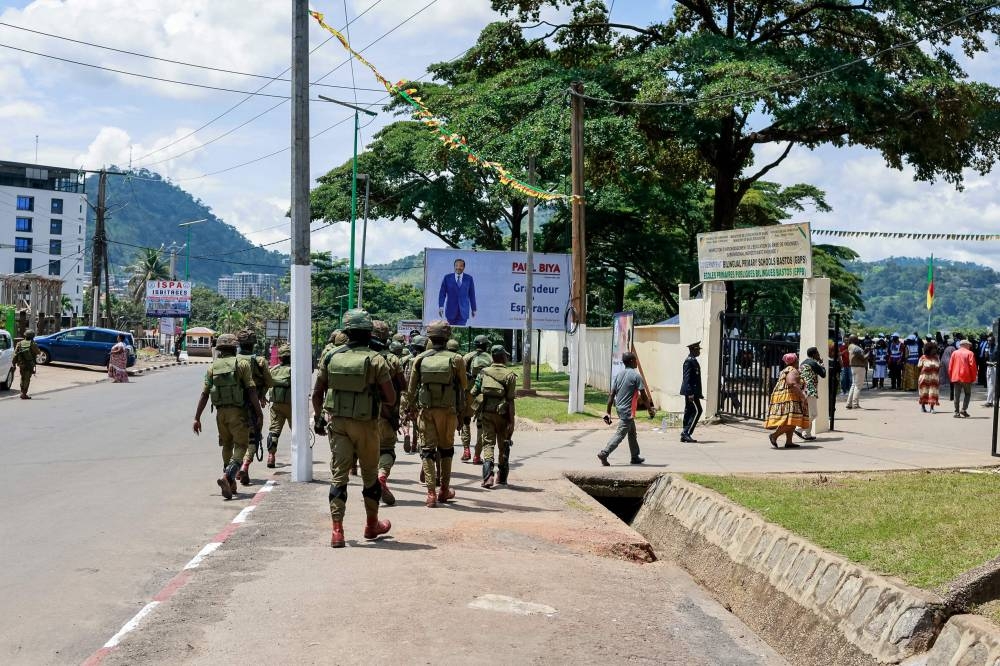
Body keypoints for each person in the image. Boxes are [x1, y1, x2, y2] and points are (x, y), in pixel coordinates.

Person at [311, 309, 396, 548]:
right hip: (367, 425)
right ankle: (371, 525)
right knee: (370, 476)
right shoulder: (376, 359)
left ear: (346, 331)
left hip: (338, 424)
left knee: (339, 476)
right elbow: (390, 397)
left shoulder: (331, 357)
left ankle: (337, 531)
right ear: (369, 332)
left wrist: (318, 417)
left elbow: (318, 393)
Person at [405, 320, 467, 507]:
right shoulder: (456, 359)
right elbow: (464, 387)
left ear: (429, 337)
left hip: (426, 411)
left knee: (427, 451)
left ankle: (430, 493)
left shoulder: (420, 359)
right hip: (448, 411)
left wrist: (410, 408)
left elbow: (411, 389)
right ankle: (444, 490)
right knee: (446, 450)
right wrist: (462, 413)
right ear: (447, 337)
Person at [192, 333, 262, 500]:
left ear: (220, 349)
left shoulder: (213, 367)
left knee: (226, 444)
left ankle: (230, 484)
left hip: (220, 414)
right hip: (238, 413)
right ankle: (228, 476)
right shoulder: (242, 364)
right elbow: (251, 390)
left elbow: (204, 394)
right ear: (234, 347)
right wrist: (259, 413)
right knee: (242, 446)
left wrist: (197, 418)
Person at [470, 345, 517, 487]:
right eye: (506, 356)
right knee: (504, 444)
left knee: (488, 443)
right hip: (502, 415)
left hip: (486, 413)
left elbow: (474, 391)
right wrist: (511, 422)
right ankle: (501, 477)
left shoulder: (483, 372)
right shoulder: (510, 375)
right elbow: (510, 400)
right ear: (503, 357)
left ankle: (487, 477)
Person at [598, 351, 655, 466]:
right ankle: (605, 452)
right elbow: (643, 396)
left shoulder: (619, 375)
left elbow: (611, 394)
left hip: (620, 409)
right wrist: (650, 409)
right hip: (627, 411)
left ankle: (635, 456)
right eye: (635, 360)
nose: (637, 362)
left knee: (632, 432)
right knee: (620, 434)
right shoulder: (636, 376)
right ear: (631, 361)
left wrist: (608, 412)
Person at [371, 320, 406, 506]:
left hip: (360, 415)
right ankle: (382, 477)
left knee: (367, 453)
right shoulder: (392, 359)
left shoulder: (360, 356)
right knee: (387, 451)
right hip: (386, 415)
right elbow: (403, 386)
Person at [237, 329, 273, 486]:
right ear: (253, 345)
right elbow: (270, 382)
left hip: (234, 406)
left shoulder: (234, 360)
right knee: (253, 438)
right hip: (253, 406)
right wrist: (261, 394)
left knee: (236, 440)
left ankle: (234, 468)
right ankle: (245, 466)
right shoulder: (260, 361)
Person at [765, 352, 810, 448]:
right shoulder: (792, 370)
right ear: (795, 361)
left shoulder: (785, 370)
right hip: (790, 398)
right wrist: (803, 397)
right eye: (797, 359)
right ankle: (774, 436)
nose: (798, 361)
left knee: (792, 420)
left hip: (784, 397)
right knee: (792, 421)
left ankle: (789, 441)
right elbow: (792, 383)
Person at [461, 335, 493, 463]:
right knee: (481, 425)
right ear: (485, 345)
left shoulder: (467, 357)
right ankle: (477, 455)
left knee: (465, 421)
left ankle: (466, 450)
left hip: (468, 393)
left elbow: (460, 375)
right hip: (482, 395)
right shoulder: (490, 358)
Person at [266, 344, 292, 469]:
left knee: (274, 431)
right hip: (292, 406)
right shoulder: (294, 370)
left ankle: (271, 456)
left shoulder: (273, 369)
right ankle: (299, 457)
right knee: (298, 432)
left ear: (280, 357)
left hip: (276, 405)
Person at [796, 347, 826, 440]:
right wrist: (821, 363)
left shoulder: (803, 362)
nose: (819, 355)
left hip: (802, 391)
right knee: (813, 414)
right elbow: (823, 374)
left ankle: (807, 434)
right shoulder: (813, 363)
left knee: (808, 413)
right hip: (810, 390)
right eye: (817, 353)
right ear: (813, 354)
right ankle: (799, 429)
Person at [437, 258, 477, 326]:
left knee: (460, 330)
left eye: (461, 266)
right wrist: (441, 307)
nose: (458, 267)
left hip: (463, 311)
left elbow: (472, 294)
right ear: (454, 266)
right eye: (456, 265)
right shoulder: (447, 278)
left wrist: (474, 309)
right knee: (451, 330)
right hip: (450, 311)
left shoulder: (469, 278)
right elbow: (442, 293)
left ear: (464, 267)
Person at [679, 341, 703, 443]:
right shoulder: (689, 361)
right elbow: (687, 378)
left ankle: (685, 433)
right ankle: (686, 433)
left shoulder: (693, 360)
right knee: (696, 410)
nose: (699, 351)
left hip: (693, 392)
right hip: (690, 392)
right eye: (697, 349)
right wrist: (690, 393)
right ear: (693, 350)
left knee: (690, 411)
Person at [949, 338, 977, 418]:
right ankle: (963, 409)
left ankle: (956, 412)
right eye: (968, 345)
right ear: (965, 345)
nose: (969, 346)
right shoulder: (970, 353)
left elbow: (950, 367)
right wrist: (973, 378)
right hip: (966, 377)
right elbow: (973, 367)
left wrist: (951, 376)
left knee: (956, 395)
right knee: (967, 394)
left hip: (956, 377)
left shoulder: (954, 353)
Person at [13, 330, 40, 400]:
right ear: (32, 337)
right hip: (30, 364)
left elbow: (15, 354)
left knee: (22, 377)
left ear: (25, 335)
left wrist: (13, 363)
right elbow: (38, 352)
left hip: (21, 364)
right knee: (27, 379)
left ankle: (22, 392)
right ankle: (24, 393)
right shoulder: (32, 343)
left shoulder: (19, 343)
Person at [916, 341, 941, 414]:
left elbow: (939, 366)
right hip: (924, 379)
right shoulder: (923, 358)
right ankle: (923, 406)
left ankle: (932, 408)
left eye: (935, 349)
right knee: (924, 393)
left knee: (933, 393)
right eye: (932, 349)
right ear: (928, 349)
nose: (934, 350)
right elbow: (919, 366)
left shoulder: (937, 358)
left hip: (934, 379)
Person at [845, 335, 867, 409]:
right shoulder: (856, 348)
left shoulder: (850, 346)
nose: (858, 339)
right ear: (854, 340)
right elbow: (863, 358)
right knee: (858, 386)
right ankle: (855, 404)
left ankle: (849, 403)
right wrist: (869, 352)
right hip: (859, 367)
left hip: (853, 367)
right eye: (857, 338)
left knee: (853, 385)